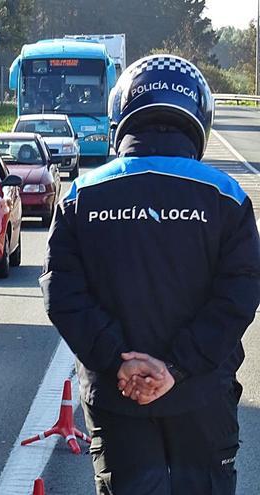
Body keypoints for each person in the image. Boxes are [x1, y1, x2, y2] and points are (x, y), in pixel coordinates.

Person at [41, 54, 260, 494]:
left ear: (122, 114)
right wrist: (174, 367)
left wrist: (119, 361)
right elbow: (239, 295)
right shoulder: (227, 197)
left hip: (116, 396)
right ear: (198, 116)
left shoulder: (81, 196)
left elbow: (61, 291)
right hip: (202, 394)